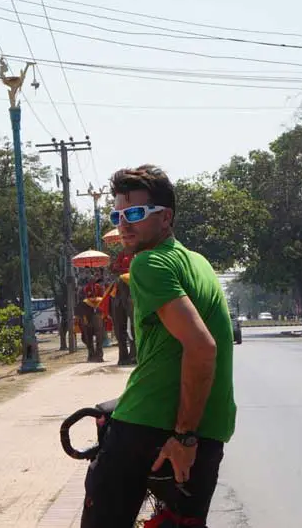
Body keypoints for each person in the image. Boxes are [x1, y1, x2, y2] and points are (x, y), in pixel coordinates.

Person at [80, 164, 236, 528]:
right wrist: (192, 437)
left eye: (135, 213)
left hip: (150, 430)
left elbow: (202, 347)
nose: (124, 223)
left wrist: (183, 436)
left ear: (165, 218)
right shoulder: (197, 263)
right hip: (210, 430)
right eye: (118, 214)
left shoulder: (148, 263)